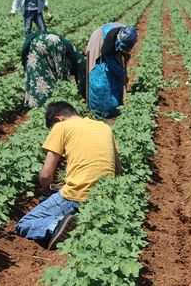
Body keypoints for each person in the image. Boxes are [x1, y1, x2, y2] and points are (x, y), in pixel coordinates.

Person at [16, 101, 122, 250]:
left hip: (76, 196)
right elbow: (118, 169)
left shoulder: (61, 127)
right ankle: (81, 221)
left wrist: (45, 189)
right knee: (58, 194)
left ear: (58, 119)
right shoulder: (105, 127)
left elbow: (46, 175)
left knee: (24, 223)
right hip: (105, 196)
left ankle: (60, 224)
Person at [21, 32, 86, 108]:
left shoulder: (72, 51)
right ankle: (55, 104)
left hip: (36, 42)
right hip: (53, 43)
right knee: (61, 78)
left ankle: (36, 103)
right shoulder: (80, 62)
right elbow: (80, 77)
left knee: (37, 71)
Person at [87, 24, 138, 118]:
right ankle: (99, 109)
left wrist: (125, 54)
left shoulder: (128, 36)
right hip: (99, 41)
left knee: (116, 75)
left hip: (111, 45)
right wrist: (121, 74)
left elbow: (123, 49)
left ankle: (116, 104)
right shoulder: (110, 40)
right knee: (100, 76)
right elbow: (108, 56)